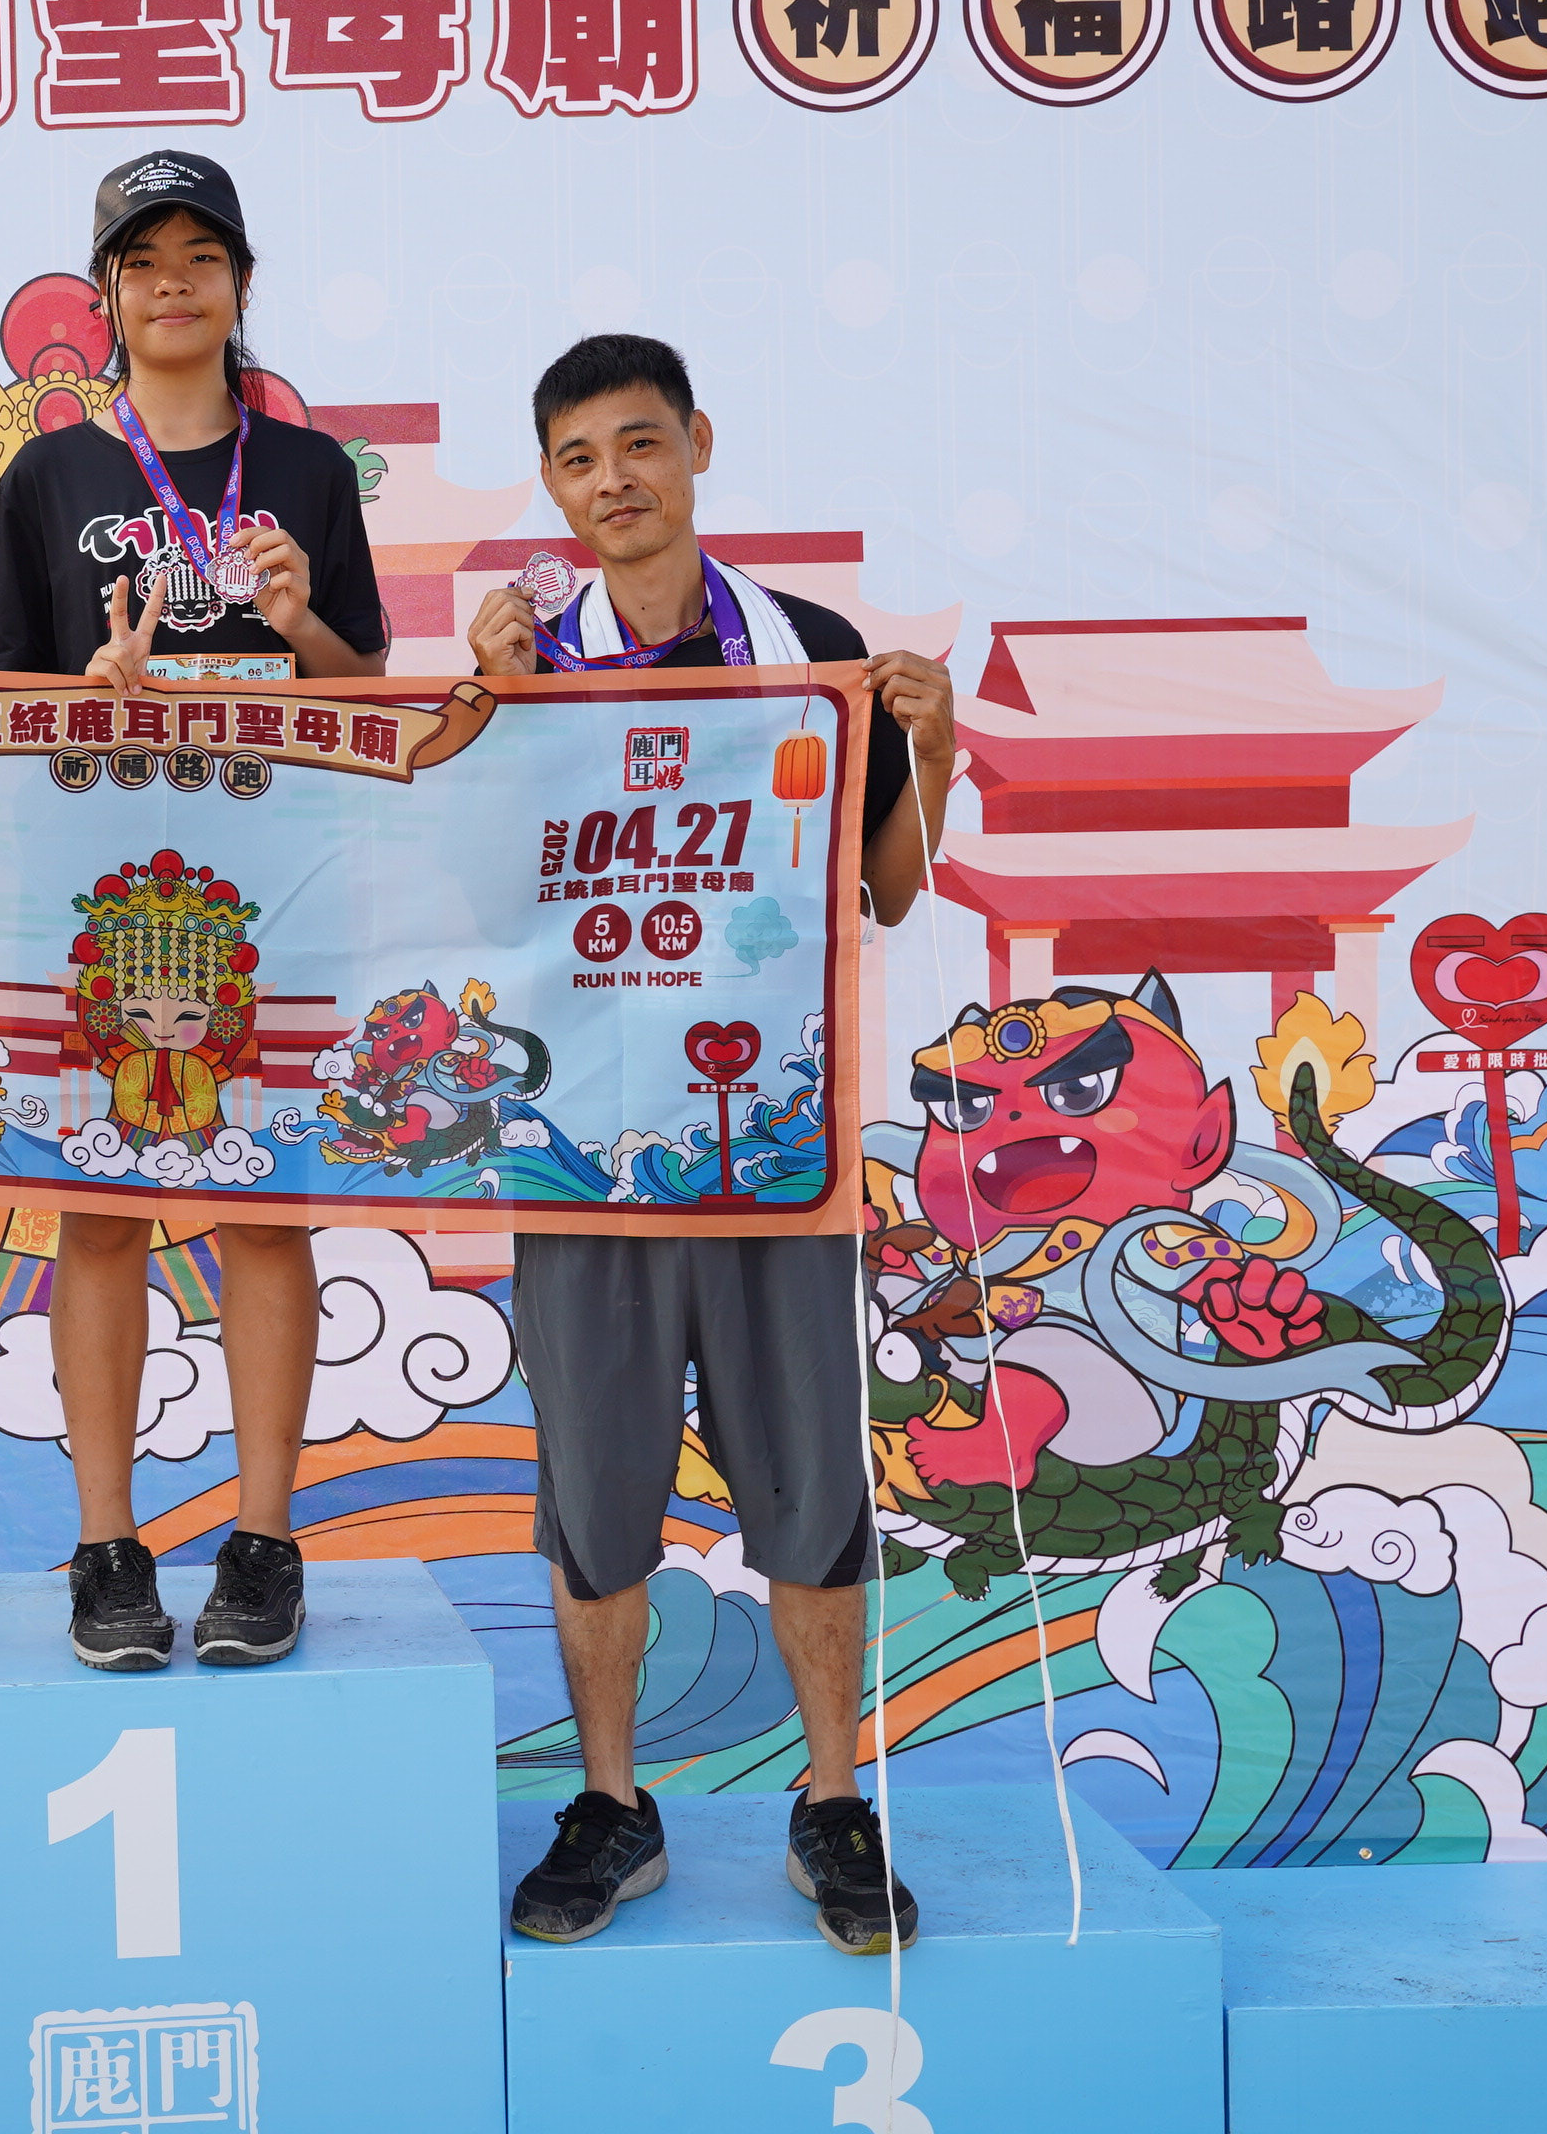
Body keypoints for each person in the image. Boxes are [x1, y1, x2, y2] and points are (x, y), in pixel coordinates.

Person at [466, 333, 957, 1955]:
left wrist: (935, 755)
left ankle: (835, 1800)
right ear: (552, 487)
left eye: (639, 444)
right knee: (596, 1498)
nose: (613, 480)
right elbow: (474, 895)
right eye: (579, 459)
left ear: (697, 446)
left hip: (775, 1154)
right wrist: (487, 711)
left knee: (812, 1492)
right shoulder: (529, 665)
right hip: (584, 1154)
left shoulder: (812, 653)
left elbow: (886, 891)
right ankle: (614, 1804)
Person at [0, 150, 388, 1670]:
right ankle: (106, 1546)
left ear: (243, 284)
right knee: (100, 1212)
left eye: (204, 257)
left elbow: (366, 698)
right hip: (99, 894)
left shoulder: (311, 474)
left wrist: (298, 623)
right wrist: (90, 690)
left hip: (279, 884)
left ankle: (265, 1541)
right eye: (144, 261)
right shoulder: (54, 476)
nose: (175, 283)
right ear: (107, 297)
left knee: (266, 1212)